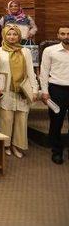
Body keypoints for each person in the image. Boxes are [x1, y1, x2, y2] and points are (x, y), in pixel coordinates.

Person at [0, 25, 39, 158]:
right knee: (6, 119)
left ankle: (16, 145)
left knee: (21, 120)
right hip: (5, 90)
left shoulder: (25, 51)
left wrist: (35, 90)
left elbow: (31, 71)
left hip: (22, 90)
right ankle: (6, 145)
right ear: (4, 36)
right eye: (9, 34)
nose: (12, 37)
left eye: (15, 34)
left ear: (19, 36)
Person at [39, 25, 69, 164]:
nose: (66, 36)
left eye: (68, 34)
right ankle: (57, 151)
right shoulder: (49, 50)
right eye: (62, 34)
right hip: (56, 89)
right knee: (56, 122)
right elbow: (44, 72)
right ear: (58, 36)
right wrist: (44, 92)